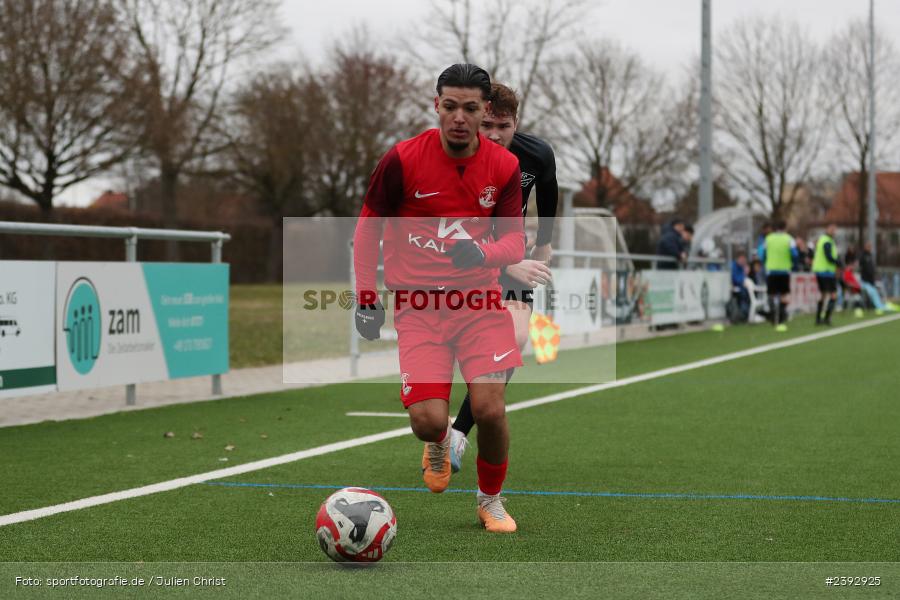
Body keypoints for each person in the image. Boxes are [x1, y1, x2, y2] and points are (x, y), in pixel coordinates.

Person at [352, 64, 524, 533]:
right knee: (429, 422)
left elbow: (514, 245)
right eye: (450, 106)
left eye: (471, 108)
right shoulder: (402, 160)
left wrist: (483, 252)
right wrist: (367, 296)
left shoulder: (505, 167)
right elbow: (367, 228)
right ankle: (437, 441)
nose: (460, 118)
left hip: (478, 306)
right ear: (437, 105)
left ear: (485, 110)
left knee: (489, 408)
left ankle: (491, 501)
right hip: (420, 310)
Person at [446, 83, 558, 475]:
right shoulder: (456, 157)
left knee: (515, 339)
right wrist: (509, 266)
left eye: (503, 126)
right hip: (461, 263)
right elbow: (453, 229)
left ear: (516, 123)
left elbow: (549, 197)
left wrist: (543, 245)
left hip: (511, 251)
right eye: (488, 124)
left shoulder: (535, 154)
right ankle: (446, 424)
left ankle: (458, 432)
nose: (494, 134)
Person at [761, 220, 797, 331]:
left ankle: (773, 317)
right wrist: (792, 263)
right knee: (783, 295)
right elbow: (794, 254)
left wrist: (766, 263)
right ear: (785, 228)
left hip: (771, 270)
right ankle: (781, 319)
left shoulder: (768, 238)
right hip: (784, 270)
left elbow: (762, 254)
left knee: (771, 294)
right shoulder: (789, 239)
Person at [812, 224, 840, 325]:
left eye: (835, 230)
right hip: (826, 272)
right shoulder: (827, 241)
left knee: (823, 295)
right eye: (832, 230)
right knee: (833, 295)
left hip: (821, 271)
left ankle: (818, 319)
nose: (834, 232)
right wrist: (838, 262)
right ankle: (826, 318)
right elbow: (828, 256)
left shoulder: (823, 239)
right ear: (827, 230)